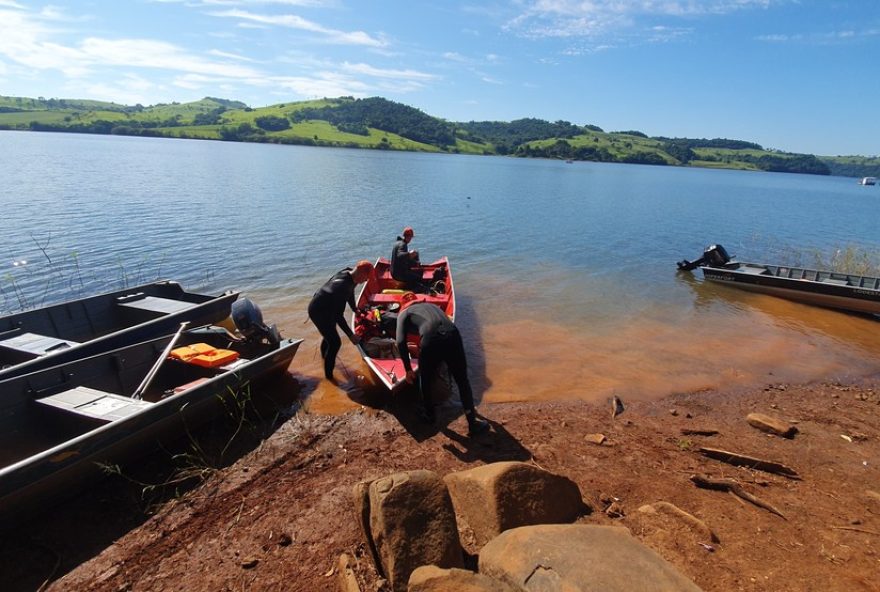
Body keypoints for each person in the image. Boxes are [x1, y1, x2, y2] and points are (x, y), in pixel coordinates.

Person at [395, 293, 489, 436]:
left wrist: (408, 369)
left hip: (431, 338)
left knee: (425, 380)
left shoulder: (404, 313)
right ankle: (472, 423)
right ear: (418, 301)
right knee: (462, 380)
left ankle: (429, 415)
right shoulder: (433, 306)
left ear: (403, 306)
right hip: (452, 334)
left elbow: (400, 342)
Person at [308, 260, 373, 381]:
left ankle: (324, 359)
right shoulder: (342, 286)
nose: (365, 281)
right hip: (318, 311)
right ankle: (329, 378)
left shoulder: (350, 273)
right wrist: (351, 335)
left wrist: (355, 309)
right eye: (366, 278)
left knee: (329, 336)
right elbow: (339, 315)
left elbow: (350, 292)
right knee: (335, 343)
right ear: (361, 272)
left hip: (327, 306)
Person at [390, 226, 426, 292]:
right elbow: (399, 255)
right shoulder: (403, 245)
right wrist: (409, 254)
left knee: (416, 255)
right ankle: (410, 290)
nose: (411, 239)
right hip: (398, 275)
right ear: (409, 237)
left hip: (393, 272)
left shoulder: (398, 243)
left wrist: (415, 263)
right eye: (411, 237)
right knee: (419, 278)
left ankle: (408, 284)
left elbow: (403, 259)